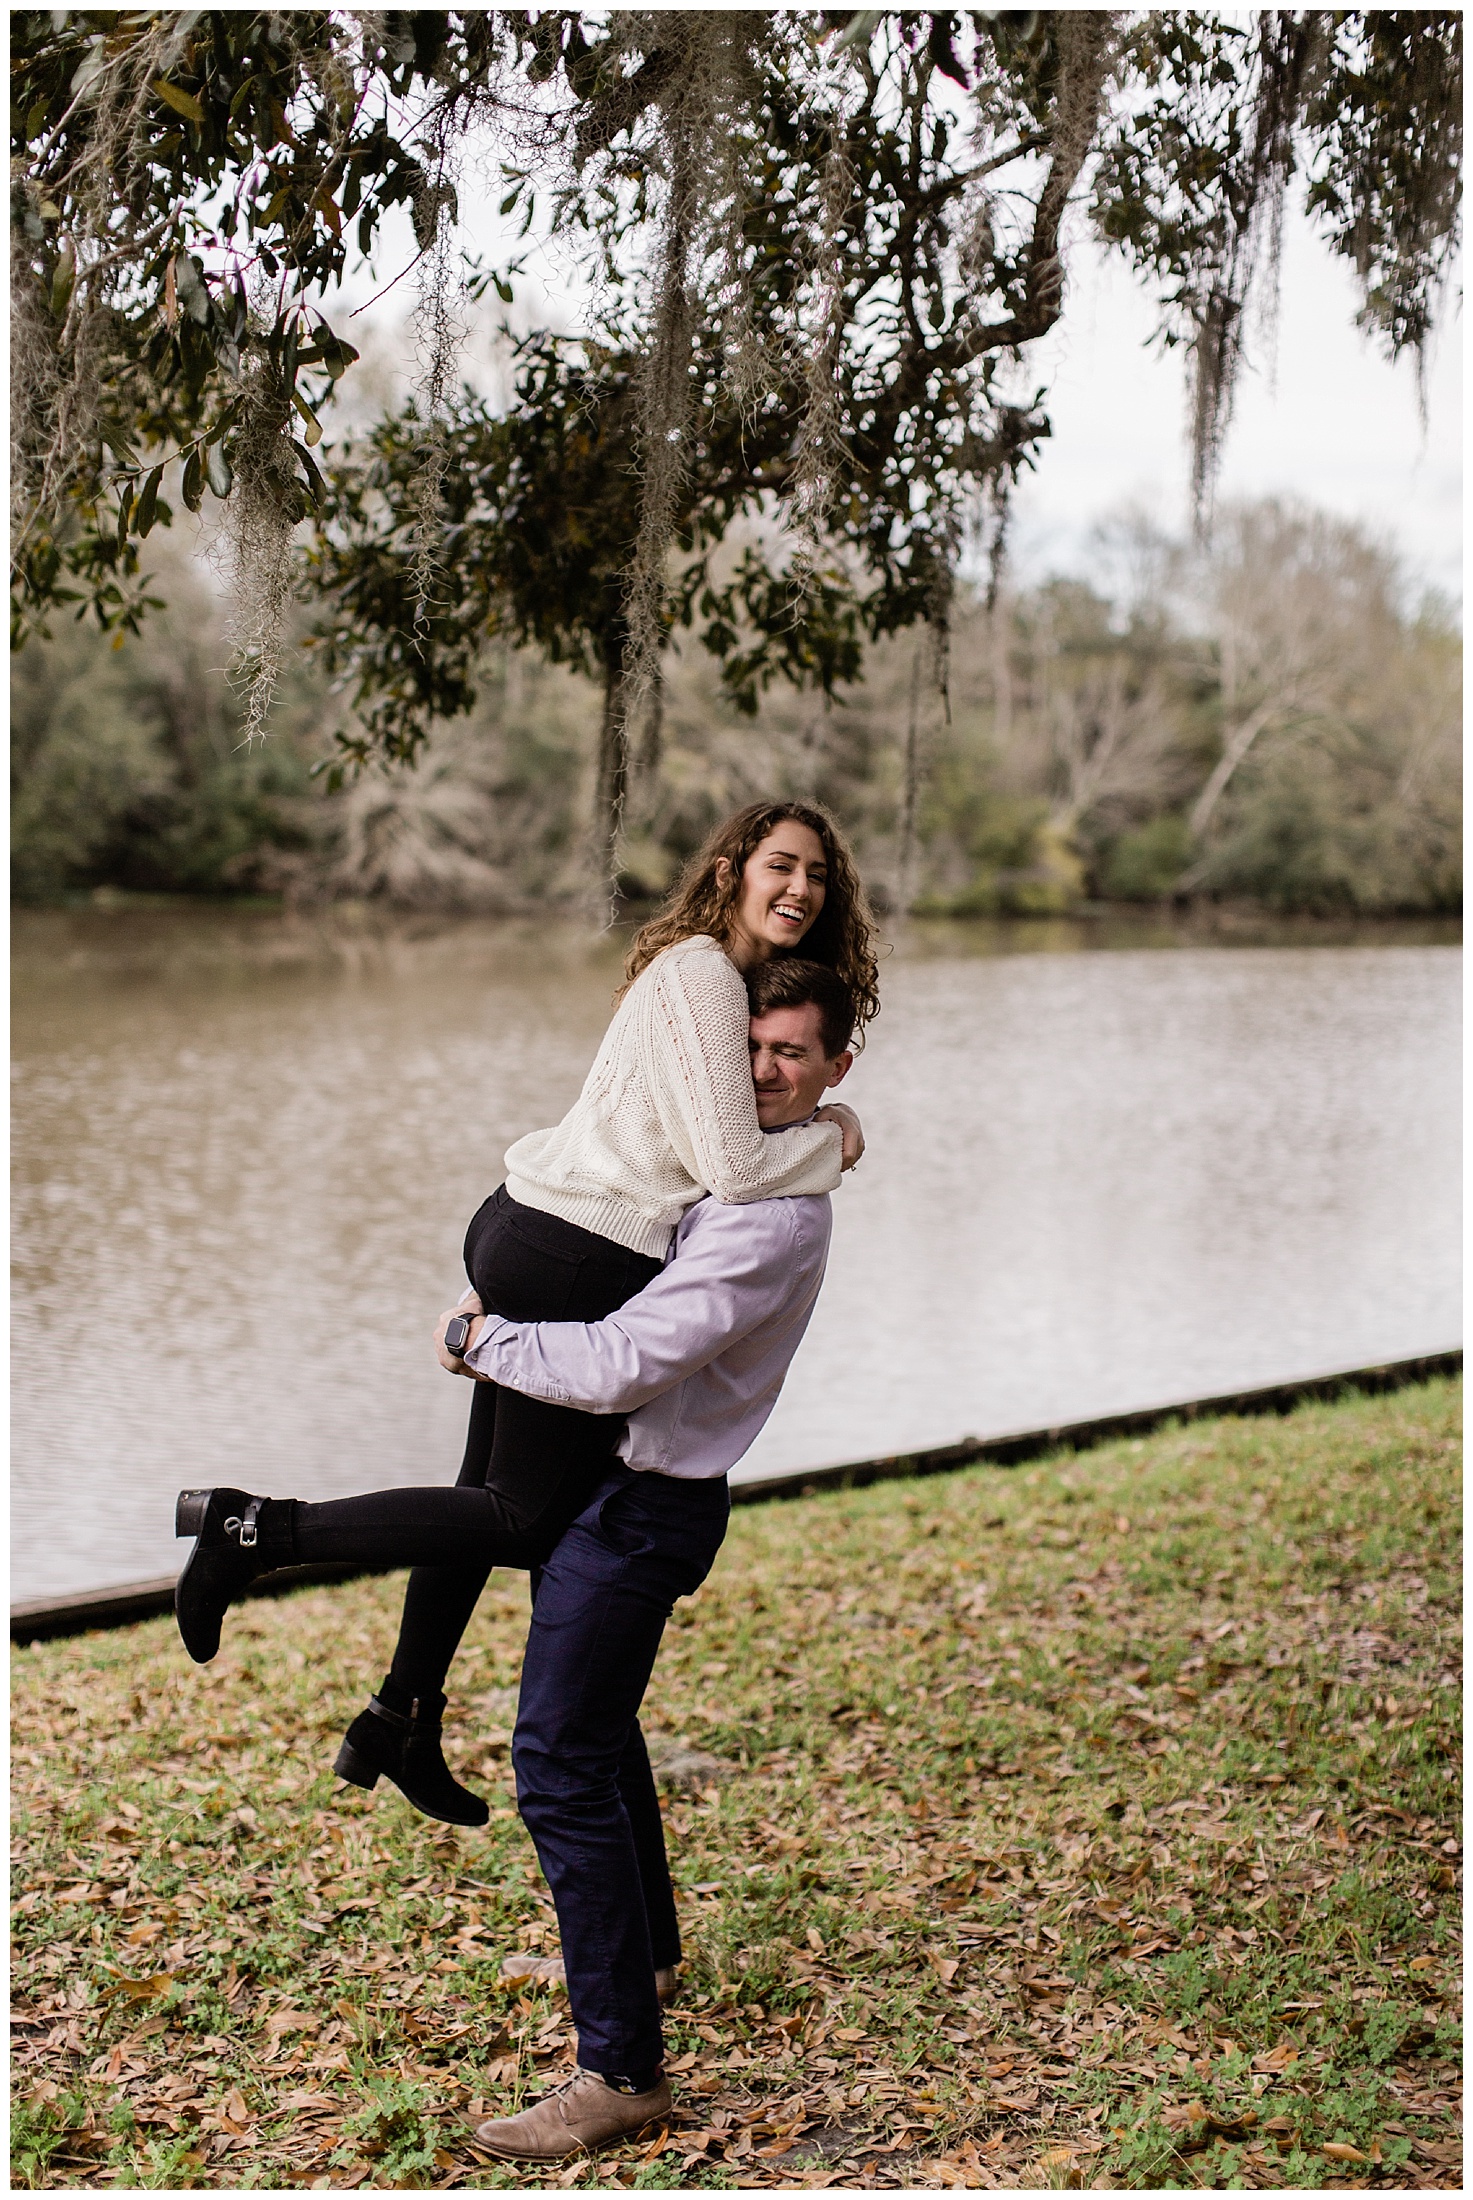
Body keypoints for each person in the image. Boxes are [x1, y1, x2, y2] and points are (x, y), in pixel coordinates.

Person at [172, 805, 880, 1837]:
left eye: (819, 872)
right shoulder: (700, 978)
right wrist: (841, 1138)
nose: (803, 887)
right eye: (783, 863)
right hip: (574, 1249)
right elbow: (733, 1169)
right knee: (522, 1515)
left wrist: (822, 1122)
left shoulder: (714, 985)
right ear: (733, 869)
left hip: (542, 1228)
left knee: (476, 1498)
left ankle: (399, 1713)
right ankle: (254, 1529)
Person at [446, 958, 859, 2161]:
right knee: (606, 1733)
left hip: (644, 1513)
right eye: (753, 1048)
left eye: (794, 1054)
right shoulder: (740, 1170)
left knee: (558, 1759)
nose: (766, 1070)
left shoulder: (771, 1220)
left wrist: (485, 1340)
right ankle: (646, 1954)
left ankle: (620, 2069)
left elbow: (628, 1360)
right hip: (613, 1493)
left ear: (837, 1064)